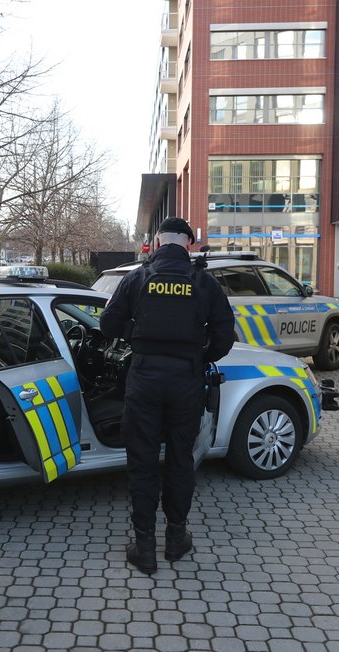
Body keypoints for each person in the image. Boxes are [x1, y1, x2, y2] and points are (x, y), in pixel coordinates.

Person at [100, 216, 235, 575]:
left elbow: (108, 324)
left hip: (144, 379)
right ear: (188, 245)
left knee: (142, 462)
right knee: (180, 459)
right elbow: (225, 337)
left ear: (157, 244)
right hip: (186, 381)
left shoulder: (137, 278)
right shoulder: (204, 283)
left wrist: (138, 333)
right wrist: (198, 354)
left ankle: (144, 546)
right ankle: (176, 539)